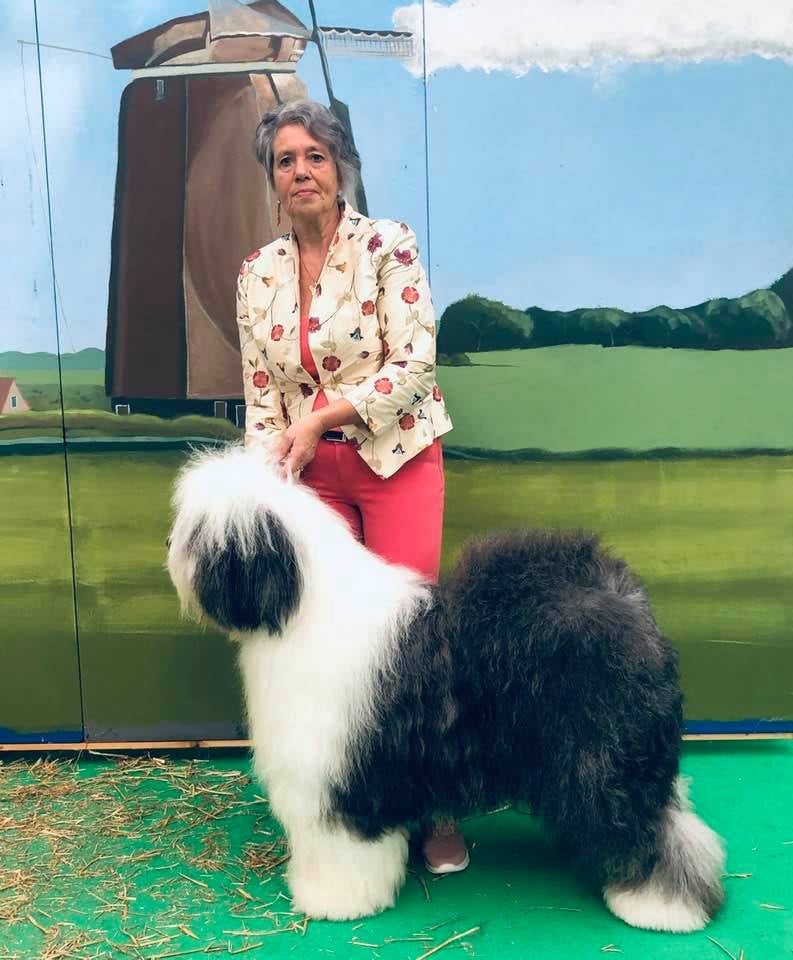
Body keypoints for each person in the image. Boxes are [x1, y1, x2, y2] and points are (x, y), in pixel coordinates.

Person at [236, 98, 467, 875]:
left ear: (341, 169)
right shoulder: (256, 273)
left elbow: (415, 365)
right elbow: (260, 398)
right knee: (323, 654)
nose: (301, 171)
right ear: (271, 178)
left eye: (315, 156)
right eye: (285, 160)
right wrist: (266, 482)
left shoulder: (386, 245)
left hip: (395, 460)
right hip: (310, 481)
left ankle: (433, 809)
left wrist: (322, 418)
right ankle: (345, 804)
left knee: (407, 648)